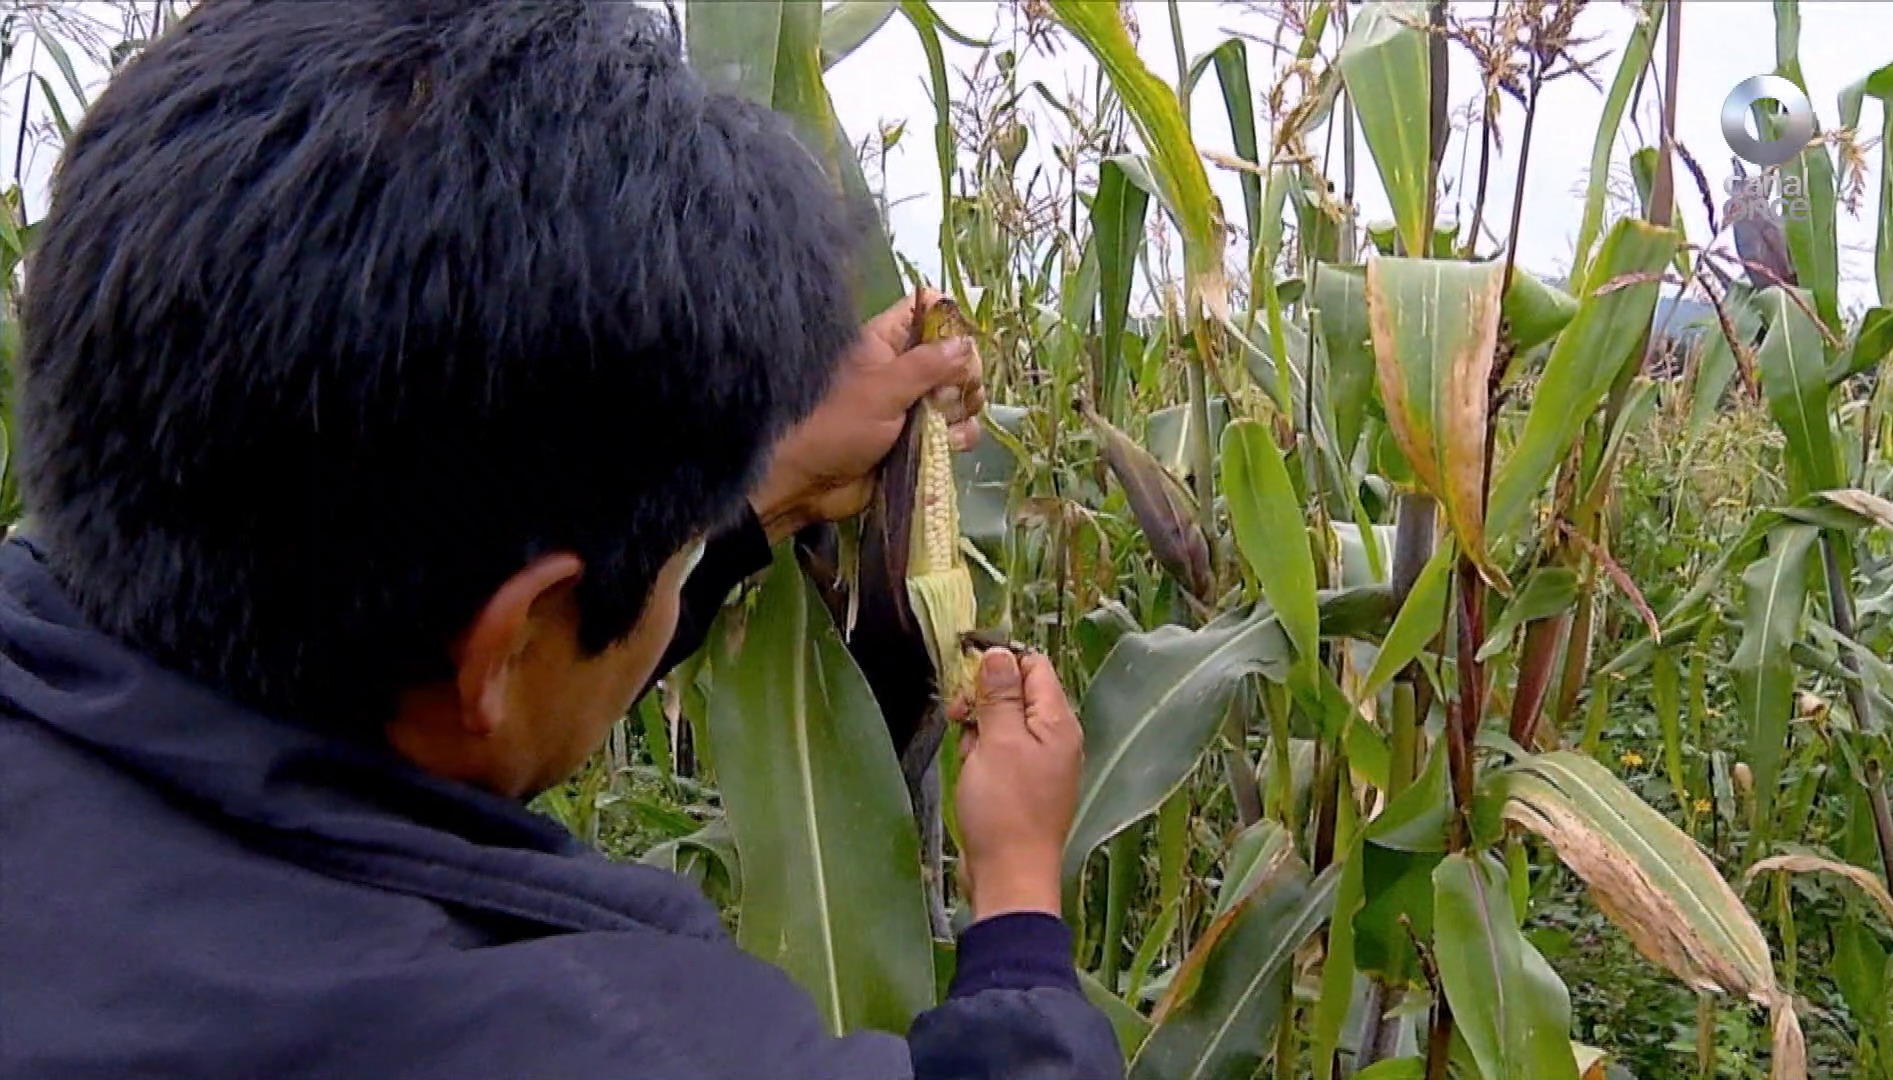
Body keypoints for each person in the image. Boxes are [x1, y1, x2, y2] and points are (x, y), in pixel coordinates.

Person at [0, 3, 1125, 1078]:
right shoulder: (586, 1045)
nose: (689, 565)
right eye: (682, 555)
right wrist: (1019, 891)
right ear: (506, 643)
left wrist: (744, 483)